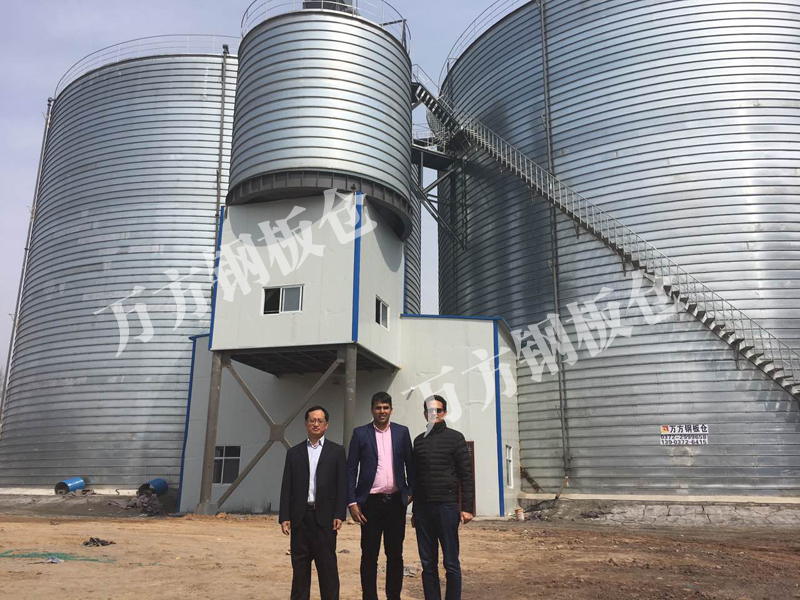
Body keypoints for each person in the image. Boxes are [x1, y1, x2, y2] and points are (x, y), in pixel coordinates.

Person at [347, 391, 415, 600]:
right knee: (369, 555)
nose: (382, 411)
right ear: (372, 410)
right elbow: (351, 469)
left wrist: (410, 492)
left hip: (396, 503)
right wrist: (352, 501)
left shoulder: (402, 432)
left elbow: (411, 465)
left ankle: (393, 596)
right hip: (370, 504)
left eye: (386, 408)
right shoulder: (360, 434)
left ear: (391, 410)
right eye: (378, 408)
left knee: (395, 555)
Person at [279, 406, 347, 600]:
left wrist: (339, 514)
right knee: (300, 571)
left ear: (326, 425)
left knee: (327, 570)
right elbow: (287, 486)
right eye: (312, 420)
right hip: (300, 519)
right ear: (306, 424)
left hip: (325, 519)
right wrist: (284, 516)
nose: (316, 424)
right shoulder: (294, 453)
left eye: (320, 421)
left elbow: (342, 485)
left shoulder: (337, 451)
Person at [412, 395, 475, 600]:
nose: (434, 414)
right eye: (430, 410)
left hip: (447, 508)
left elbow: (466, 475)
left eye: (438, 410)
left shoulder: (455, 438)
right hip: (423, 511)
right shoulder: (418, 441)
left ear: (444, 413)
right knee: (428, 564)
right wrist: (414, 512)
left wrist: (467, 508)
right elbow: (416, 478)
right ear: (425, 414)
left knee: (451, 562)